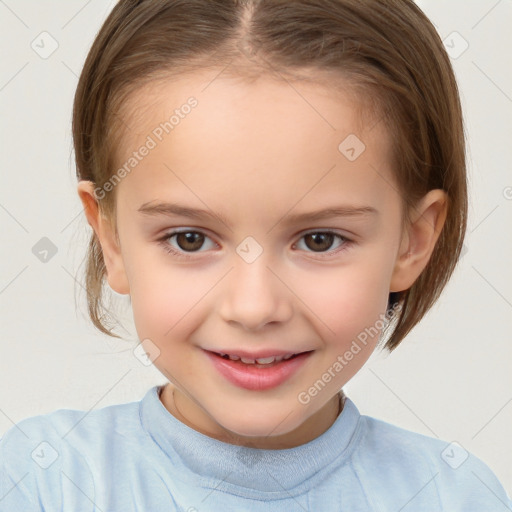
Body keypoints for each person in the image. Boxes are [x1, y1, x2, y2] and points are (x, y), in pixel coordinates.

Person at [1, 0, 510, 510]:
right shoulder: (46, 481)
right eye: (190, 239)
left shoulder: (452, 495)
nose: (254, 307)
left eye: (319, 240)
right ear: (110, 239)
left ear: (413, 240)